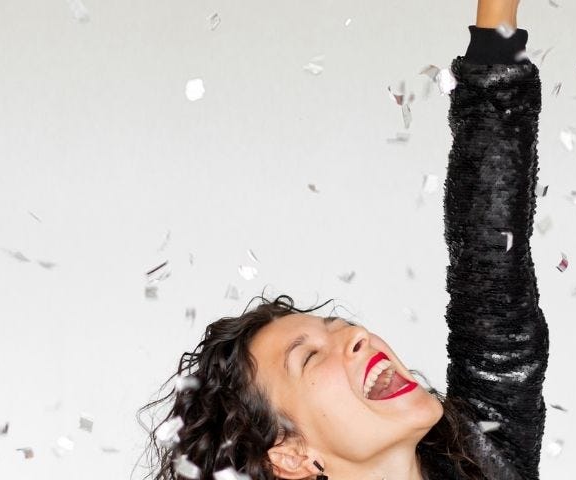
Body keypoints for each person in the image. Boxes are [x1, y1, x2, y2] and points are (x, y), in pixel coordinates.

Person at [139, 1, 549, 478]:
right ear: (290, 454)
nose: (357, 336)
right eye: (309, 356)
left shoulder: (484, 459)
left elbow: (492, 276)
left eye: (339, 327)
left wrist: (496, 21)